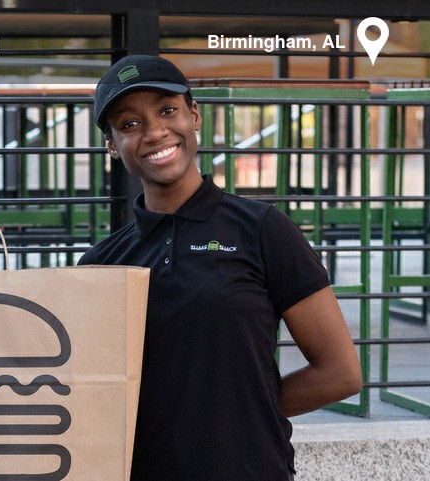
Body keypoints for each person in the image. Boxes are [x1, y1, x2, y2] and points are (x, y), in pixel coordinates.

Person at [78, 55, 362, 480]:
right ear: (112, 147)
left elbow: (340, 374)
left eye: (167, 110)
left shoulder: (263, 229)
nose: (154, 132)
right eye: (130, 124)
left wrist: (239, 415)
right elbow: (94, 392)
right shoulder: (101, 263)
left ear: (194, 115)